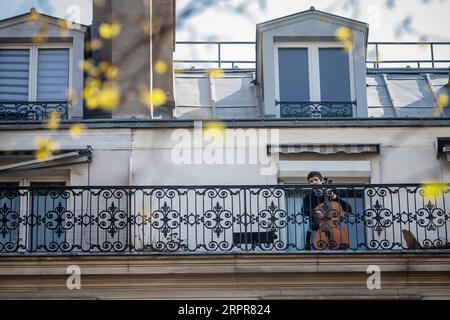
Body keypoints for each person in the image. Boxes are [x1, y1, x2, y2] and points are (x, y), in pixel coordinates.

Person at [302, 171, 352, 249]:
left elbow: (349, 209)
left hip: (335, 229)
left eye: (316, 180)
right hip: (317, 229)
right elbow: (304, 210)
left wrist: (334, 197)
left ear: (321, 181)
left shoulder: (331, 193)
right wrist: (315, 212)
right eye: (311, 181)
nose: (314, 182)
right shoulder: (308, 197)